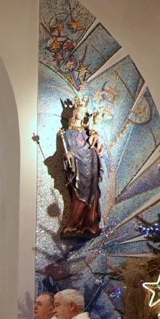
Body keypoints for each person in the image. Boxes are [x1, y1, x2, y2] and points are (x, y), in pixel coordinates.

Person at [59, 98, 104, 237]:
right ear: (75, 112)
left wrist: (98, 145)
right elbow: (67, 149)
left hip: (91, 162)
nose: (82, 114)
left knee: (92, 193)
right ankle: (73, 224)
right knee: (79, 193)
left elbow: (94, 145)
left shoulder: (88, 131)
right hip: (78, 165)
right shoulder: (67, 131)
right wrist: (68, 155)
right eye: (80, 111)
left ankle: (91, 224)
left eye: (84, 112)